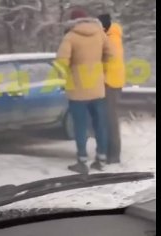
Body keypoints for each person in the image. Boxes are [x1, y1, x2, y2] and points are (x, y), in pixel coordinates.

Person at [55, 9, 116, 174]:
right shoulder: (100, 34)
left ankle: (82, 162)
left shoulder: (70, 37)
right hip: (97, 88)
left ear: (72, 21)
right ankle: (101, 159)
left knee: (80, 126)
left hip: (78, 90)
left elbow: (61, 63)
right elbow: (111, 55)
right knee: (100, 125)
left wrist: (68, 72)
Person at [98, 13, 125, 164]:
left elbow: (108, 61)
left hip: (111, 84)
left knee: (110, 120)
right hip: (111, 82)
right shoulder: (111, 37)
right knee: (108, 119)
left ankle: (113, 155)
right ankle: (110, 152)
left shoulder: (111, 39)